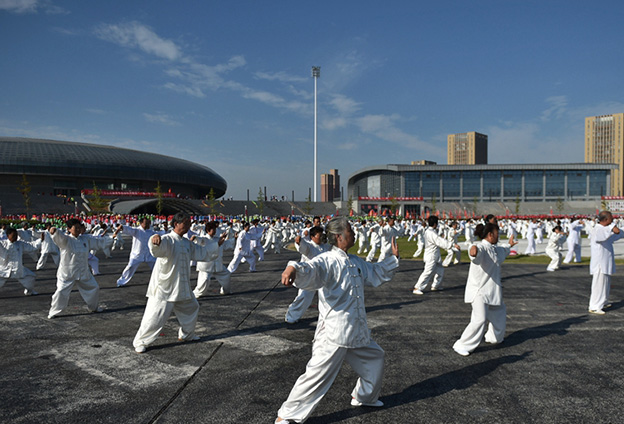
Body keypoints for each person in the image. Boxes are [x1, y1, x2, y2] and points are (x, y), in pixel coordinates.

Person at [275, 217, 399, 423]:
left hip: (356, 329)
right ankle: (285, 416)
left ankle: (363, 396)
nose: (354, 233)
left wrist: (393, 260)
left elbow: (376, 272)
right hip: (334, 332)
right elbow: (310, 269)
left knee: (375, 358)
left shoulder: (355, 261)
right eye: (350, 230)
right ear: (339, 237)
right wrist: (292, 268)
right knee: (316, 377)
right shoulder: (327, 260)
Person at [133, 212, 215, 353]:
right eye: (186, 223)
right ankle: (140, 341)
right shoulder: (167, 240)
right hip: (165, 288)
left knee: (192, 307)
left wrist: (217, 245)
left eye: (189, 223)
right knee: (155, 316)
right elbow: (157, 249)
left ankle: (186, 335)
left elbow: (202, 253)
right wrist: (154, 240)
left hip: (182, 286)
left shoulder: (187, 243)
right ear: (176, 224)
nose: (189, 226)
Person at [452, 223, 517, 356]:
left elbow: (503, 250)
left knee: (499, 314)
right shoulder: (481, 247)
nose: (499, 236)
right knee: (480, 319)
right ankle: (461, 344)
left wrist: (509, 245)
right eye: (497, 233)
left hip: (493, 291)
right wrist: (473, 251)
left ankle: (494, 337)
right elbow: (475, 252)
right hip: (479, 291)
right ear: (490, 234)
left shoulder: (495, 249)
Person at [48, 219, 113, 319]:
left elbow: (98, 242)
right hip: (67, 272)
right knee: (61, 291)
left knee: (94, 288)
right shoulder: (66, 240)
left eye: (79, 227)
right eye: (75, 227)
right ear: (69, 229)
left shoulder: (85, 239)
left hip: (83, 271)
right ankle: (53, 312)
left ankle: (94, 307)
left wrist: (111, 238)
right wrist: (54, 231)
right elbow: (58, 237)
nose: (78, 229)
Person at [284, 225, 328, 324]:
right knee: (304, 298)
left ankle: (329, 318)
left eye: (322, 235)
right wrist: (298, 240)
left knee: (329, 297)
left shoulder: (326, 246)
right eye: (319, 236)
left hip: (324, 276)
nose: (322, 238)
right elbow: (301, 246)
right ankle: (291, 316)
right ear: (312, 237)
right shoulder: (309, 246)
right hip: (311, 277)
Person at [413, 216, 460, 295]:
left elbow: (439, 239)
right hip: (431, 255)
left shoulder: (430, 231)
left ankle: (436, 285)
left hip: (435, 254)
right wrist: (453, 245)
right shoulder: (431, 232)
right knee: (428, 272)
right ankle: (418, 287)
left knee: (440, 270)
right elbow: (440, 241)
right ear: (435, 224)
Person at [588, 211, 624, 315]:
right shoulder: (598, 229)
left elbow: (618, 233)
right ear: (606, 219)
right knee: (599, 285)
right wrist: (612, 226)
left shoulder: (605, 230)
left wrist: (615, 230)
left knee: (605, 284)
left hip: (605, 261)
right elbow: (602, 237)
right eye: (611, 218)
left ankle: (603, 302)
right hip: (600, 263)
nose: (613, 220)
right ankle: (594, 306)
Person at [113, 218, 158, 287]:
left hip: (149, 254)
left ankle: (159, 282)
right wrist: (120, 229)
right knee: (130, 267)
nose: (148, 225)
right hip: (137, 255)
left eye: (149, 223)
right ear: (141, 223)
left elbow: (160, 234)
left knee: (157, 267)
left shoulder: (151, 232)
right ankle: (121, 282)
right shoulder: (137, 231)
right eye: (146, 223)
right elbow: (127, 228)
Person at [193, 221, 231, 297]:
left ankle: (225, 291)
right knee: (204, 281)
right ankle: (194, 295)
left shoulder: (216, 239)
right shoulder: (204, 239)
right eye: (213, 229)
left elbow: (221, 242)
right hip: (206, 266)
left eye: (215, 229)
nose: (215, 231)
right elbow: (198, 240)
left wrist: (224, 238)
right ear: (208, 230)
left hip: (217, 265)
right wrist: (194, 238)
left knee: (226, 274)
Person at [0, 227, 41, 296]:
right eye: (13, 236)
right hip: (4, 269)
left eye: (16, 236)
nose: (15, 238)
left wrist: (41, 240)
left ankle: (29, 291)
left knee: (30, 277)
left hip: (18, 269)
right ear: (8, 236)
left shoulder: (20, 244)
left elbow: (32, 246)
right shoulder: (2, 244)